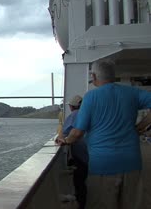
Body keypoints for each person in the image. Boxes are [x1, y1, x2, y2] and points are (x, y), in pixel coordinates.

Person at [59, 60, 151, 209]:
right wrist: (140, 127)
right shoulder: (132, 93)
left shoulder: (90, 97)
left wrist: (66, 140)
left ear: (94, 76)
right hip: (132, 162)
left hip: (103, 165)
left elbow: (77, 132)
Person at [56, 95, 88, 209]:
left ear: (71, 106)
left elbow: (64, 133)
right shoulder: (88, 113)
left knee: (79, 183)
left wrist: (60, 131)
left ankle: (82, 205)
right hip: (93, 154)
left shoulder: (75, 115)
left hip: (82, 156)